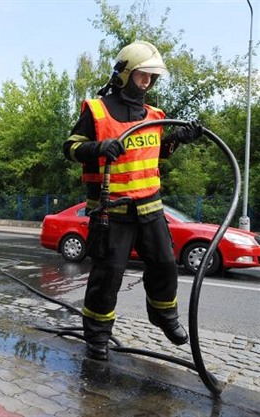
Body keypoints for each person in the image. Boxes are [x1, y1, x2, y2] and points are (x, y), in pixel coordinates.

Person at [63, 40, 204, 360]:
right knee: (108, 273)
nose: (148, 82)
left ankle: (164, 316)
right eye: (143, 75)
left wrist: (177, 139)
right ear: (125, 74)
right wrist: (98, 148)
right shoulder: (96, 111)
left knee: (166, 263)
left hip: (150, 206)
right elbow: (70, 148)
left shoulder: (155, 114)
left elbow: (155, 153)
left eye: (152, 77)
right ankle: (97, 335)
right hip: (112, 209)